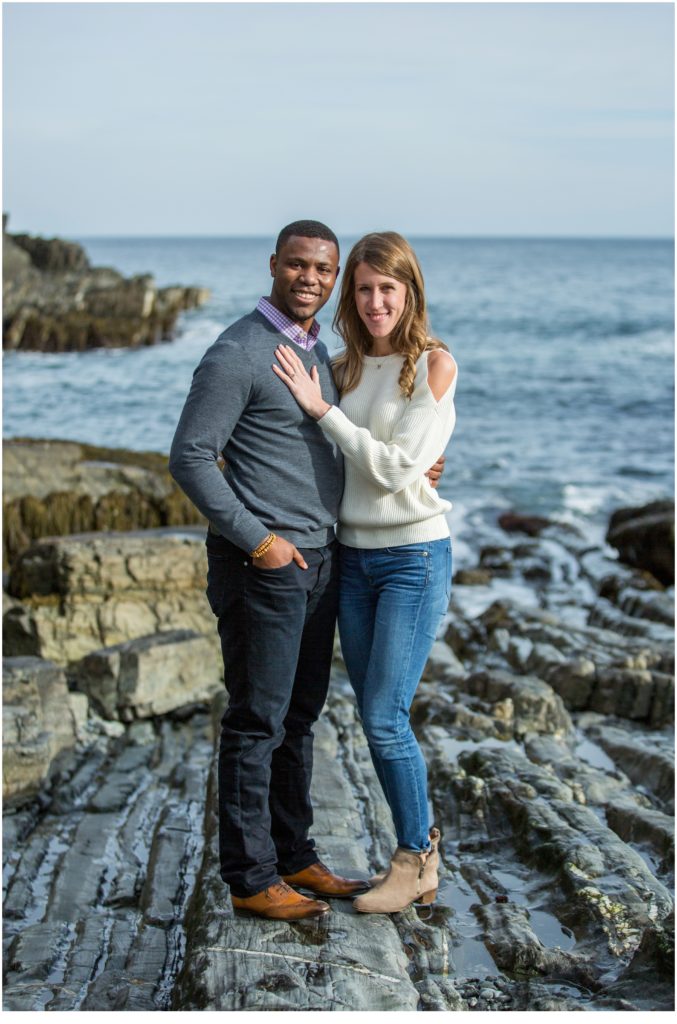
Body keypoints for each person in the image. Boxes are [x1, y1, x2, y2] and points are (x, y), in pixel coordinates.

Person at [169, 221, 444, 921]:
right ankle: (251, 875)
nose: (310, 279)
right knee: (256, 721)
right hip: (265, 563)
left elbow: (359, 441)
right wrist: (258, 540)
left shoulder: (319, 349)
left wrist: (419, 465)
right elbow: (191, 458)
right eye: (298, 266)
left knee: (298, 716)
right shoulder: (236, 353)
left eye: (323, 269)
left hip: (325, 562)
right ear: (273, 266)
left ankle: (294, 856)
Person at [273, 231, 457, 914]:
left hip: (412, 558)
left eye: (388, 287)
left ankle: (415, 857)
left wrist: (323, 412)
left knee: (383, 716)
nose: (375, 300)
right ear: (350, 296)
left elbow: (389, 466)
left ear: (408, 292)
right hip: (350, 559)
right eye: (363, 288)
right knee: (370, 711)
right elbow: (317, 456)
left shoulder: (433, 365)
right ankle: (417, 856)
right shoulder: (342, 366)